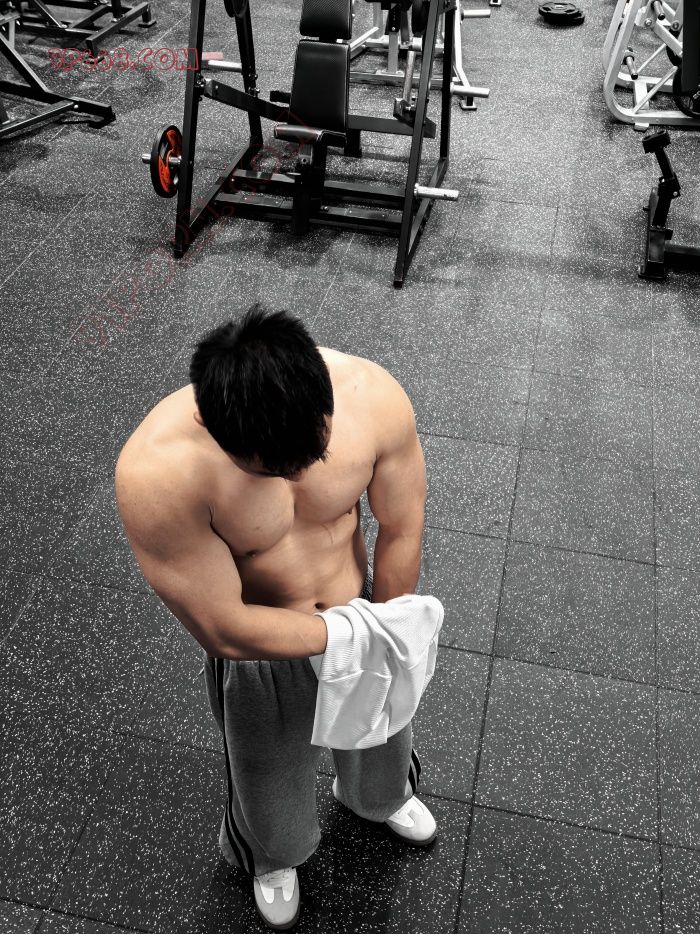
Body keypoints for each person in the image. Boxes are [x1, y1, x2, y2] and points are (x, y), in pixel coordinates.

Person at [115, 304, 436, 930]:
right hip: (262, 646)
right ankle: (273, 855)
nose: (296, 476)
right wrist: (339, 639)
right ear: (215, 429)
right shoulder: (159, 472)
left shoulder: (372, 397)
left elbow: (402, 528)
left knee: (386, 730)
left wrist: (388, 629)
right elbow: (222, 627)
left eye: (312, 455)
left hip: (363, 610)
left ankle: (381, 797)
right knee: (267, 776)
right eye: (273, 469)